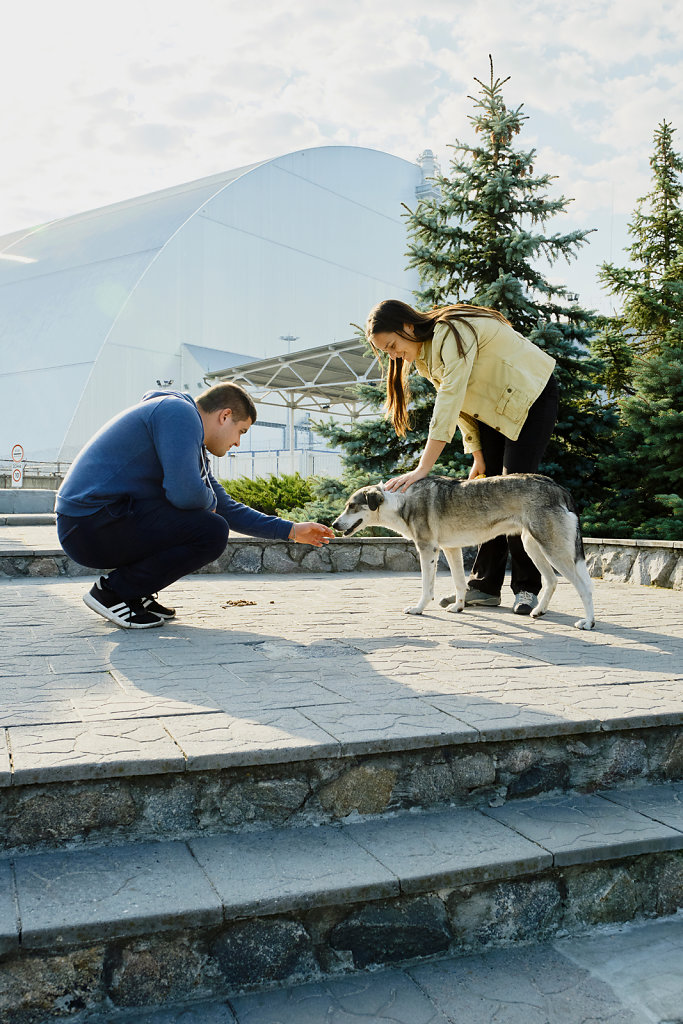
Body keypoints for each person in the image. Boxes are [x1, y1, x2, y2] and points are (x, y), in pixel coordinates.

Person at [56, 383, 334, 628]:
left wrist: (291, 530)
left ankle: (133, 592)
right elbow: (186, 494)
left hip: (98, 522)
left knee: (209, 522)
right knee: (210, 530)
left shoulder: (188, 434)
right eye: (241, 431)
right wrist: (207, 501)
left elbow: (220, 503)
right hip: (90, 525)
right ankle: (113, 593)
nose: (237, 442)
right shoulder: (178, 413)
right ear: (225, 416)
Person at [365, 298, 558, 615]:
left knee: (513, 492)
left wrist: (423, 468)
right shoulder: (425, 358)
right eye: (386, 351)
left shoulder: (450, 333)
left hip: (531, 398)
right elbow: (464, 406)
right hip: (495, 409)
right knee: (487, 494)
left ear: (407, 327)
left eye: (392, 344)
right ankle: (484, 587)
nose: (393, 354)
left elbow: (450, 400)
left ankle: (527, 588)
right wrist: (477, 453)